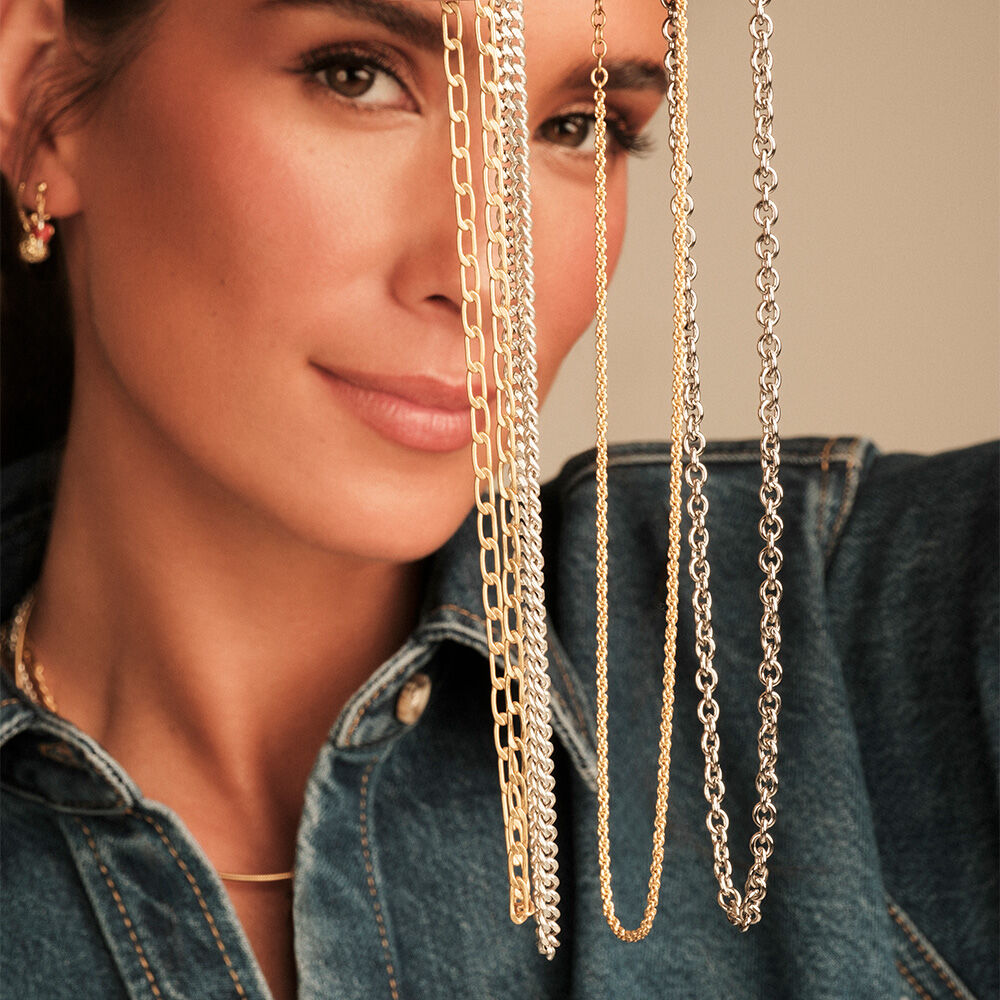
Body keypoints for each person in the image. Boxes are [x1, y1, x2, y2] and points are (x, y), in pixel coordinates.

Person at [1, 1, 996, 998]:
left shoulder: (830, 649)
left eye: (578, 126)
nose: (486, 277)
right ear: (39, 99)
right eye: (357, 76)